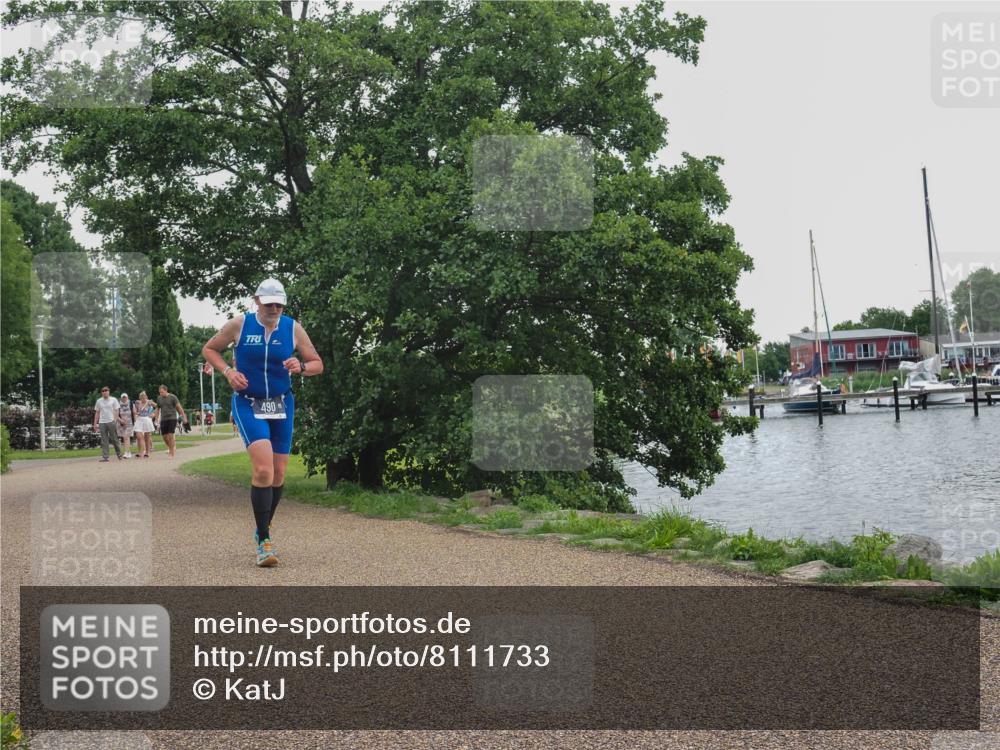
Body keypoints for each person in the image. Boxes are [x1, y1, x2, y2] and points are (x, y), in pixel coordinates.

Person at [202, 278, 323, 567]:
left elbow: (317, 364)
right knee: (264, 470)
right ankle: (264, 542)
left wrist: (301, 366)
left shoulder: (292, 328)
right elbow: (210, 349)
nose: (275, 309)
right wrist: (228, 372)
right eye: (269, 303)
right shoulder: (240, 324)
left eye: (279, 304)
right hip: (249, 403)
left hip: (282, 404)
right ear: (257, 300)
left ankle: (262, 527)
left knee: (279, 474)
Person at [153, 384, 187, 459]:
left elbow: (179, 408)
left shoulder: (173, 397)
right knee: (164, 436)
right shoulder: (159, 398)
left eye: (162, 392)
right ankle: (171, 447)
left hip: (172, 418)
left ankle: (171, 453)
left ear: (166, 390)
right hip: (163, 419)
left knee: (170, 435)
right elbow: (157, 409)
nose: (161, 394)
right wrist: (156, 419)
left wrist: (183, 417)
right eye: (160, 392)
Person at [92, 387, 123, 462]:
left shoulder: (113, 399)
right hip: (102, 422)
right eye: (103, 391)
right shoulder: (99, 401)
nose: (104, 392)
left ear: (109, 392)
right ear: (101, 392)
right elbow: (97, 412)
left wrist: (115, 420)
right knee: (104, 440)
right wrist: (95, 423)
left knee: (114, 439)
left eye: (106, 390)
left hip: (111, 421)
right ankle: (105, 457)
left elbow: (117, 410)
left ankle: (119, 455)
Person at [133, 390, 155, 458]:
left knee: (147, 437)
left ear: (146, 397)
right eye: (142, 397)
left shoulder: (149, 402)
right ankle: (141, 451)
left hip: (147, 420)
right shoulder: (137, 403)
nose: (143, 399)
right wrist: (136, 414)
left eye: (144, 397)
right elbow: (135, 411)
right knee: (139, 436)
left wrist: (153, 414)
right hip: (139, 420)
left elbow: (158, 407)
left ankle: (147, 452)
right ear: (140, 398)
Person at [117, 393, 136, 458]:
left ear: (127, 397)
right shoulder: (118, 404)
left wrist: (135, 422)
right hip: (121, 423)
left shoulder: (131, 404)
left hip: (129, 423)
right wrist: (121, 420)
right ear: (121, 398)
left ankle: (127, 452)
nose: (124, 399)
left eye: (125, 397)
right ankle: (127, 452)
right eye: (123, 397)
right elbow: (116, 414)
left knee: (126, 437)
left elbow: (134, 413)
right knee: (124, 438)